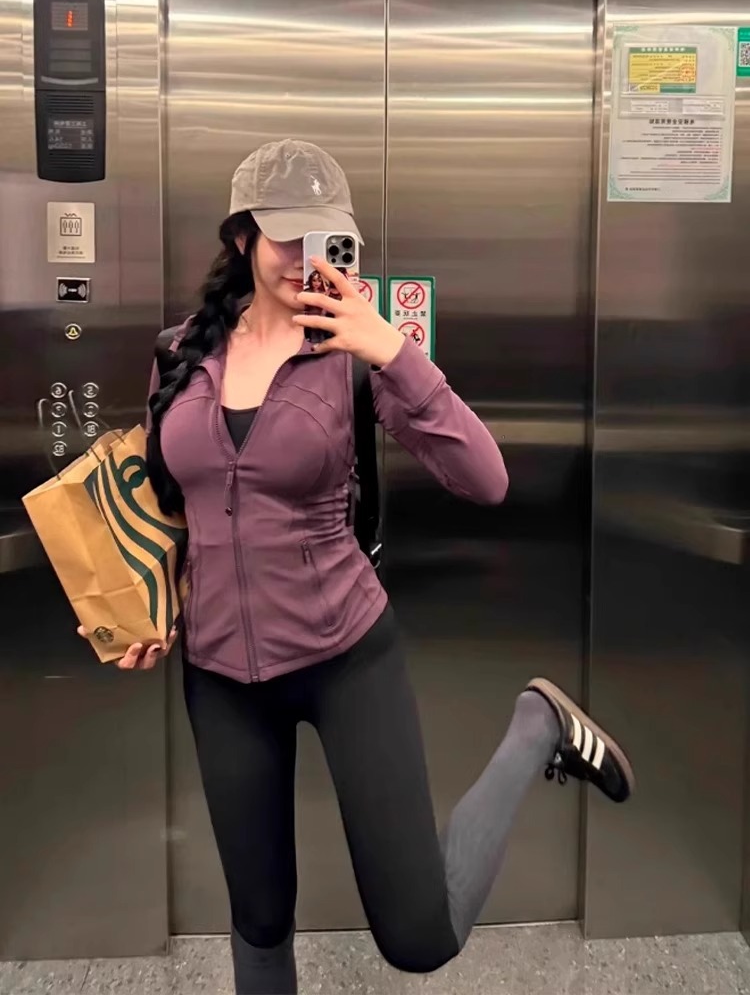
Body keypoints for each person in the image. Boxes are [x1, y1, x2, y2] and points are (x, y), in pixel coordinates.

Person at [79, 139, 634, 995]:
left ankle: (536, 728)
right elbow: (173, 501)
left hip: (346, 657)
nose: (305, 258)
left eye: (323, 237)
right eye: (285, 237)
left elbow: (486, 479)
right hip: (220, 675)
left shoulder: (353, 356)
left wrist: (394, 353)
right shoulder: (179, 353)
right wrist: (148, 608)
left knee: (419, 935)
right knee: (259, 923)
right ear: (241, 237)